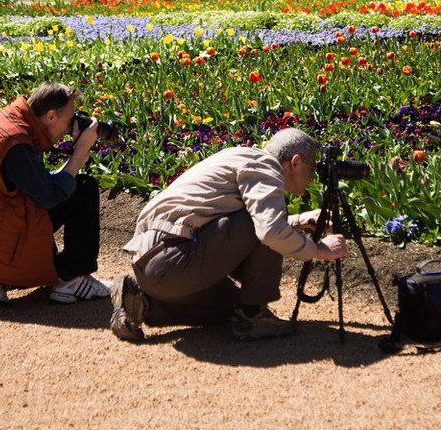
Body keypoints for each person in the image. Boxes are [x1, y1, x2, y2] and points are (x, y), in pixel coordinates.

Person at [109, 128, 350, 342]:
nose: (314, 176)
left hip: (153, 262)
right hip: (174, 258)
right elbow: (269, 231)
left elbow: (233, 220)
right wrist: (321, 250)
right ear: (295, 162)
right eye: (313, 166)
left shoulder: (239, 157)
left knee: (235, 307)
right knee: (249, 304)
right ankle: (253, 317)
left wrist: (300, 220)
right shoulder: (266, 167)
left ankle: (143, 302)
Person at [0, 82, 112, 306]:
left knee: (64, 185)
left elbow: (32, 181)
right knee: (83, 187)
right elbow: (49, 196)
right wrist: (79, 154)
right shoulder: (17, 142)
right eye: (68, 120)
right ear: (50, 116)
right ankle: (72, 278)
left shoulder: (7, 123)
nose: (70, 127)